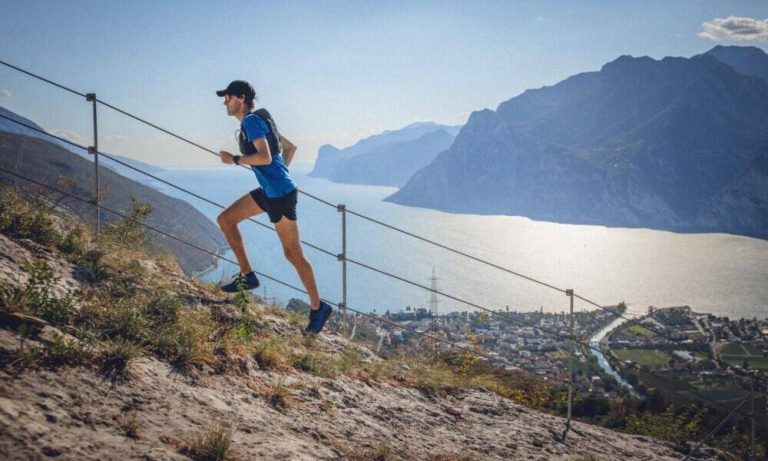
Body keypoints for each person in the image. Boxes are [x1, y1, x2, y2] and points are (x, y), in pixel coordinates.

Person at [215, 80, 332, 335]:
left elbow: (265, 157)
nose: (225, 102)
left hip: (279, 196)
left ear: (241, 99)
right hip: (272, 191)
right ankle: (247, 275)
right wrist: (276, 176)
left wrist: (234, 159)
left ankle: (318, 307)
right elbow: (288, 148)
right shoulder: (260, 119)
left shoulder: (251, 122)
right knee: (225, 220)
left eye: (228, 97)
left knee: (293, 254)